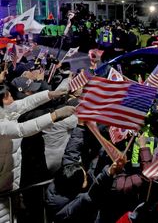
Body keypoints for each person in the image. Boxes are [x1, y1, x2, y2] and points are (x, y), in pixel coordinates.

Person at [0, 84, 75, 223]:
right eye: (8, 96)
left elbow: (25, 103)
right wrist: (54, 115)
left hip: (10, 184)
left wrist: (50, 94)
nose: (12, 97)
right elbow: (21, 129)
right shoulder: (1, 125)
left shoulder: (5, 111)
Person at [46, 157, 126, 223]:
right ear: (77, 187)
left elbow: (71, 151)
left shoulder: (62, 180)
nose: (87, 176)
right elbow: (90, 197)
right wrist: (109, 172)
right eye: (85, 178)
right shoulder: (73, 208)